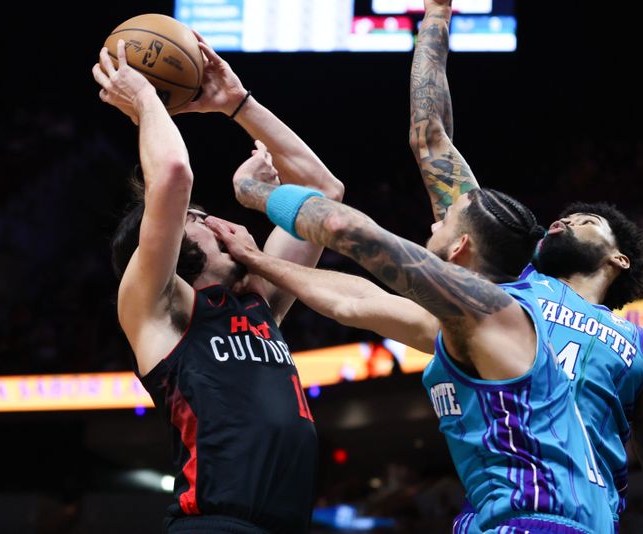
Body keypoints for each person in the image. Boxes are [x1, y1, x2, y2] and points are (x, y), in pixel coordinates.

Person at [408, 1, 643, 532]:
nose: (563, 220)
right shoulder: (506, 281)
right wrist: (437, 14)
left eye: (586, 219)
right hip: (505, 513)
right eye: (563, 217)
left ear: (619, 257)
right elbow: (430, 137)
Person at [217, 148, 615, 534]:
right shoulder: (472, 326)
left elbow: (342, 228)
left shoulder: (492, 310)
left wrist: (251, 190)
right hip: (518, 517)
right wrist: (257, 260)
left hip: (538, 520)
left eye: (445, 223)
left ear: (460, 248)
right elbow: (354, 301)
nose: (432, 226)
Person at [92, 36, 344, 533]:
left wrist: (238, 104)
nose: (219, 223)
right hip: (213, 524)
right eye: (201, 219)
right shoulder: (158, 309)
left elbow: (324, 193)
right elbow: (171, 173)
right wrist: (145, 98)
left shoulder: (259, 302)